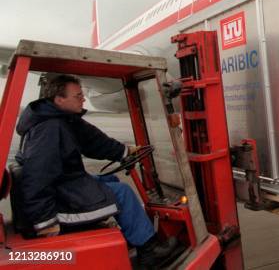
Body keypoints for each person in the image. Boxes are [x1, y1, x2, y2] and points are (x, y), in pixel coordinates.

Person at [15, 74, 177, 265]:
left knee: (111, 182)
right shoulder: (49, 128)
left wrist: (123, 151)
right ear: (59, 99)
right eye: (77, 96)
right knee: (123, 193)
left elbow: (93, 141)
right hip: (57, 205)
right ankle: (149, 250)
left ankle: (132, 233)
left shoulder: (62, 119)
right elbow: (37, 176)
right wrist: (45, 222)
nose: (83, 99)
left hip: (65, 186)